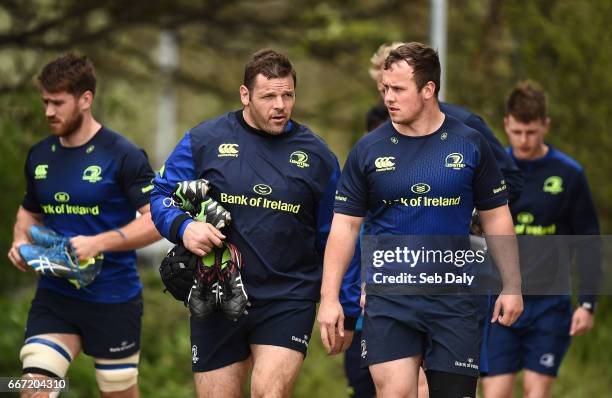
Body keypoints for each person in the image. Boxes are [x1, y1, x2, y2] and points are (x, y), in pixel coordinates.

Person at [318, 42, 523, 398]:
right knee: (395, 392)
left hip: (454, 299)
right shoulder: (368, 150)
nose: (388, 98)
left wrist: (512, 285)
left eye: (398, 89)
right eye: (385, 89)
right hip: (389, 298)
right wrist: (330, 297)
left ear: (428, 90)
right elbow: (345, 226)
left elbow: (497, 218)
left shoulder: (470, 143)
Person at [150, 49, 340, 398]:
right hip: (217, 291)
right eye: (269, 96)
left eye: (288, 95)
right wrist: (183, 227)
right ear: (245, 95)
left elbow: (337, 236)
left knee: (270, 392)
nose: (280, 105)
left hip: (288, 296)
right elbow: (161, 193)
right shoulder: (204, 140)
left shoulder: (318, 157)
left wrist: (338, 299)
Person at [7, 54, 161, 397]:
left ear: (85, 99)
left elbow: (157, 221)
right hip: (55, 296)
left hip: (113, 299)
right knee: (33, 388)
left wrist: (99, 243)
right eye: (45, 101)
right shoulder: (39, 155)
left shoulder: (123, 155)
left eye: (58, 102)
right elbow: (29, 212)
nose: (48, 111)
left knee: (118, 390)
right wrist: (19, 242)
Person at [480, 81, 600, 398]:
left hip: (549, 303)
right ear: (506, 123)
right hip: (499, 301)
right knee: (495, 393)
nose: (523, 140)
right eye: (517, 131)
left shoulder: (569, 174)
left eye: (531, 132)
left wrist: (587, 302)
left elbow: (588, 239)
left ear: (545, 125)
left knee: (537, 393)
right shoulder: (491, 170)